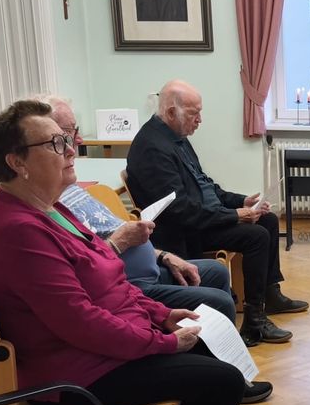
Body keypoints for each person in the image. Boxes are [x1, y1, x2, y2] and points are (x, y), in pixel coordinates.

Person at [0, 100, 265, 405]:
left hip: (104, 348)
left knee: (206, 340)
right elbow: (81, 322)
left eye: (67, 139)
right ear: (17, 162)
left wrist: (161, 315)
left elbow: (112, 281)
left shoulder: (53, 208)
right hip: (77, 374)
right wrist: (162, 342)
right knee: (223, 381)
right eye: (55, 143)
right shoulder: (19, 231)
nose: (70, 149)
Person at [126, 79, 308, 347]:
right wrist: (234, 215)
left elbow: (204, 184)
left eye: (200, 112)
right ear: (171, 112)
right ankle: (254, 322)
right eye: (193, 114)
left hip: (203, 216)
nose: (199, 120)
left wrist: (241, 201)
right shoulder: (153, 148)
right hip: (185, 230)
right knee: (256, 235)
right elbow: (179, 212)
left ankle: (270, 295)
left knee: (267, 219)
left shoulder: (175, 137)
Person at [40, 95, 241, 327]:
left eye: (74, 132)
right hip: (128, 284)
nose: (78, 142)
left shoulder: (71, 188)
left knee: (217, 271)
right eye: (66, 135)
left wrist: (165, 257)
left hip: (151, 267)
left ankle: (219, 344)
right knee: (221, 300)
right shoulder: (48, 204)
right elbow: (83, 268)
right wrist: (121, 242)